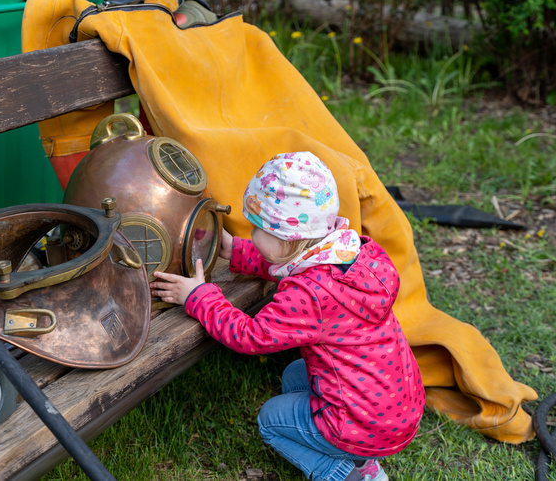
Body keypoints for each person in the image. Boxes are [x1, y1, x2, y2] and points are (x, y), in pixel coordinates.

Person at [151, 151, 425, 481]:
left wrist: (198, 297)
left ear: (286, 240)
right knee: (296, 374)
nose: (251, 234)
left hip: (362, 426)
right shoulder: (356, 255)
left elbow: (249, 337)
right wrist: (233, 250)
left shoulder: (309, 295)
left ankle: (351, 473)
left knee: (271, 421)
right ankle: (356, 455)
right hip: (397, 407)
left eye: (257, 229)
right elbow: (287, 261)